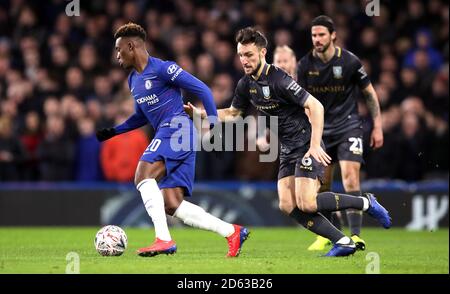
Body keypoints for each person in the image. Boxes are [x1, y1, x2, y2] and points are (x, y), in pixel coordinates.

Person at [185, 27, 391, 257]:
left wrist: (314, 145)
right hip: (287, 149)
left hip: (305, 143)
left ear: (263, 53)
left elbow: (316, 106)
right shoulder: (245, 84)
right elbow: (234, 113)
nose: (244, 60)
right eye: (241, 55)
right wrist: (203, 114)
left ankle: (365, 203)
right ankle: (343, 241)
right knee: (287, 204)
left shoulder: (279, 79)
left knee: (308, 203)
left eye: (249, 55)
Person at [96, 23, 249, 257]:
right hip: (172, 134)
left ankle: (163, 239)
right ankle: (231, 232)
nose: (117, 56)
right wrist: (115, 131)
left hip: (177, 129)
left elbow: (203, 90)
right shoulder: (133, 80)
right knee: (172, 203)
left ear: (131, 46)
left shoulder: (163, 69)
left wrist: (215, 127)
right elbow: (140, 116)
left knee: (142, 175)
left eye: (119, 50)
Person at [297, 16, 384, 251]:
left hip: (348, 126)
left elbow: (369, 93)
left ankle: (355, 235)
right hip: (321, 131)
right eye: (314, 35)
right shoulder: (304, 65)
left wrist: (377, 125)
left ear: (333, 35)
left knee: (350, 177)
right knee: (322, 186)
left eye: (321, 35)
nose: (317, 39)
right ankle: (330, 234)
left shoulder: (350, 61)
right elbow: (301, 102)